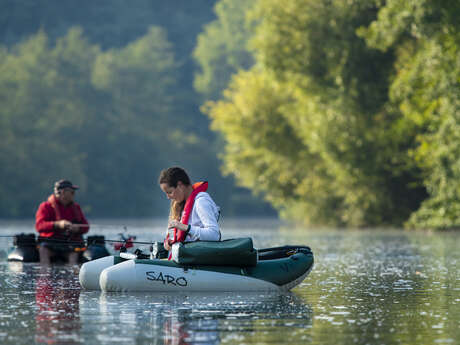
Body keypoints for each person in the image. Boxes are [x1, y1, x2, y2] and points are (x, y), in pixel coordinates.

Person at [158, 167, 220, 255]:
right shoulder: (178, 205)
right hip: (183, 259)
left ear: (180, 185)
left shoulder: (201, 201)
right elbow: (169, 237)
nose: (168, 197)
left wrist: (186, 227)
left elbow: (214, 235)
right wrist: (167, 244)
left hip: (199, 259)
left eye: (170, 192)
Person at [35, 180, 90, 265]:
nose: (73, 194)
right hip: (50, 243)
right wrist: (58, 224)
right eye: (71, 192)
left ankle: (73, 276)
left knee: (73, 255)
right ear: (62, 192)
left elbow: (86, 226)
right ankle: (44, 276)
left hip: (69, 244)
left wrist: (77, 228)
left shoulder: (76, 207)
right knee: (43, 250)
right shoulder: (45, 207)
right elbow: (39, 226)